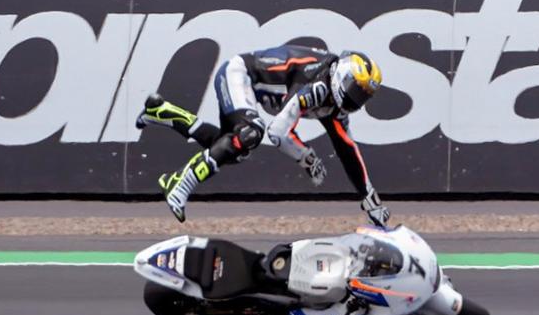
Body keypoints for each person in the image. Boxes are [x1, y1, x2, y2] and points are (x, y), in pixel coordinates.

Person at [136, 45, 391, 226]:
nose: (355, 99)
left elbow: (347, 150)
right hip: (239, 73)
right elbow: (278, 132)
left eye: (362, 96)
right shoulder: (319, 84)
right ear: (342, 76)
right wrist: (307, 158)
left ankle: (162, 112)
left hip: (248, 85)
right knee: (250, 133)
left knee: (231, 151)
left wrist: (371, 200)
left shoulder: (335, 103)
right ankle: (181, 182)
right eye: (355, 89)